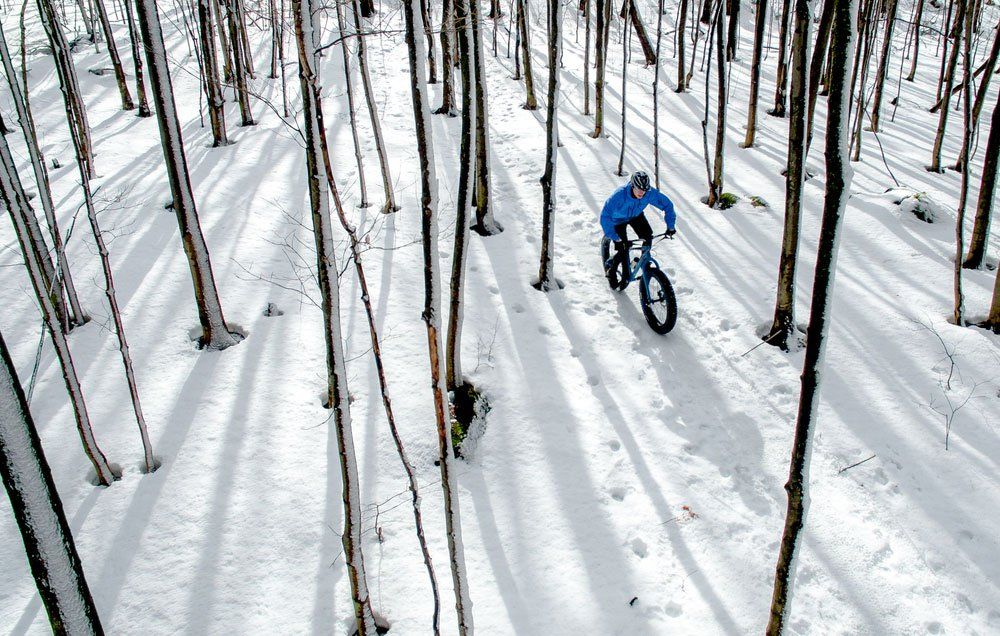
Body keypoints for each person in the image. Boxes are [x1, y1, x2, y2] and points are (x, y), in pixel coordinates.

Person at [600, 171, 677, 270]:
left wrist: (670, 226)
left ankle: (645, 264)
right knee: (623, 247)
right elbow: (605, 216)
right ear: (632, 185)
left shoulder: (649, 194)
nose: (642, 192)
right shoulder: (619, 195)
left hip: (636, 216)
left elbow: (668, 205)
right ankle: (611, 269)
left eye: (644, 189)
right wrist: (615, 237)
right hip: (617, 220)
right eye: (639, 189)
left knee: (647, 236)